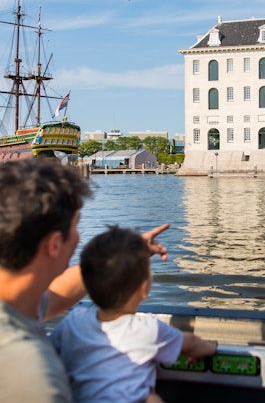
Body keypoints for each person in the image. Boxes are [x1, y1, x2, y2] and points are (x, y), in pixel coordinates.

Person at [0, 158, 169, 402]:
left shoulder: (18, 303)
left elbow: (59, 294)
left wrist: (127, 253)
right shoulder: (33, 377)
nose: (79, 237)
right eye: (77, 225)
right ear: (55, 244)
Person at [50, 225, 218, 402]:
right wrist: (212, 347)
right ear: (144, 289)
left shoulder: (73, 321)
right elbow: (191, 344)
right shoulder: (148, 329)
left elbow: (51, 351)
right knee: (152, 399)